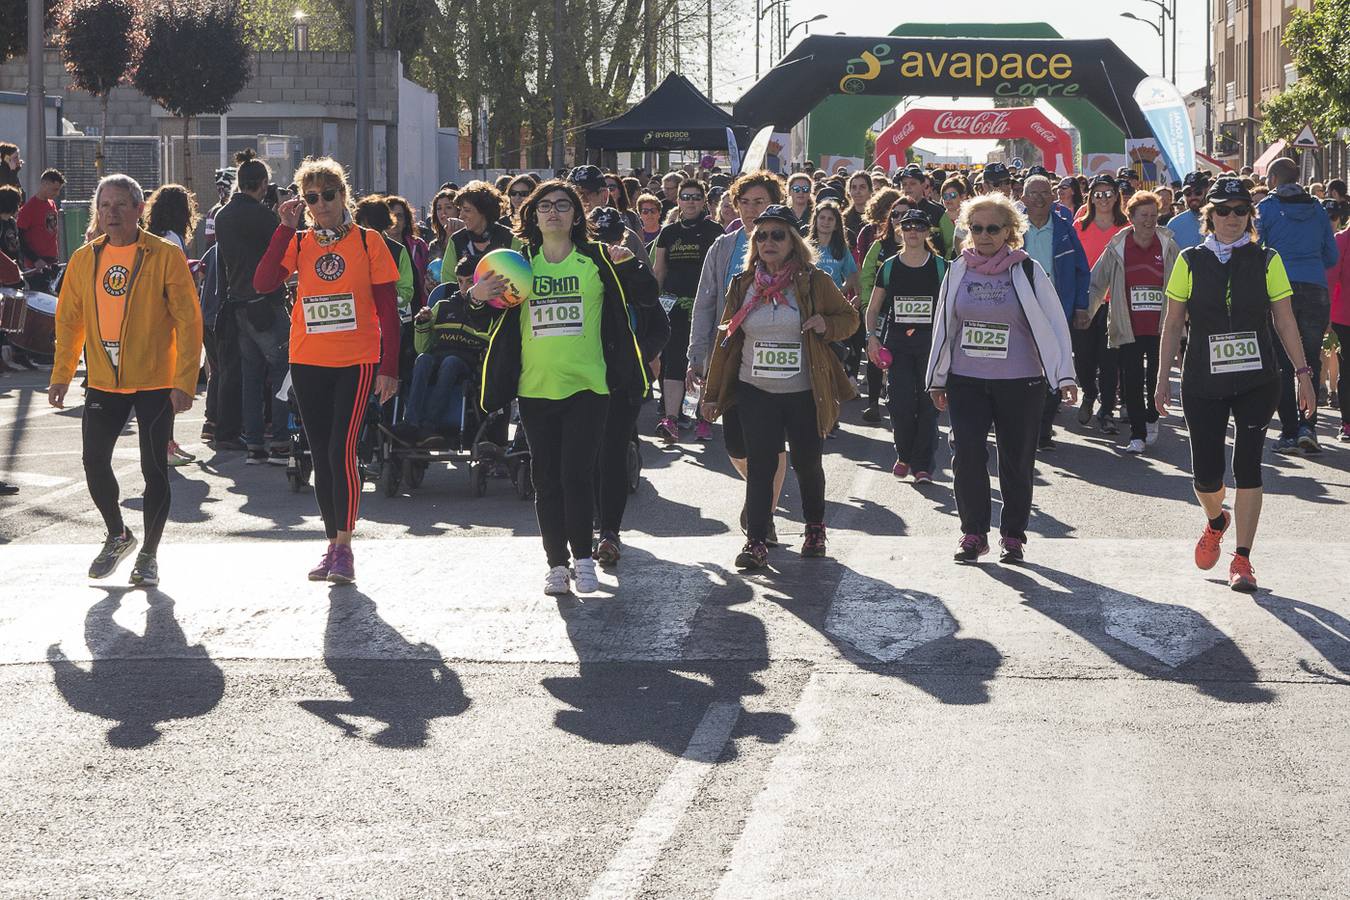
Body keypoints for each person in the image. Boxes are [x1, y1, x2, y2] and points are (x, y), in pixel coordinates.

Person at [478, 181, 648, 595]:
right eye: (545, 206)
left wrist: (628, 265)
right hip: (535, 389)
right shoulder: (518, 265)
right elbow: (485, 320)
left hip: (588, 386)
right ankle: (556, 565)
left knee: (577, 475)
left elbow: (645, 296)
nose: (554, 212)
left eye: (563, 205)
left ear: (576, 215)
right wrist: (475, 294)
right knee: (546, 478)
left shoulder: (595, 259)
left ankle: (583, 559)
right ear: (532, 216)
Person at [1156, 176, 1317, 593]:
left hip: (1256, 379)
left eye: (1240, 210)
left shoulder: (1267, 260)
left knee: (1248, 466)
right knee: (1205, 476)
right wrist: (1160, 380)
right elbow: (1173, 323)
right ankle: (1216, 521)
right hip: (1202, 380)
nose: (1232, 218)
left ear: (1251, 216)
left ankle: (1242, 559)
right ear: (1209, 216)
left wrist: (1303, 375)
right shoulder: (1189, 260)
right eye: (1223, 211)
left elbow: (1284, 319)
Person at [48, 174, 203, 586]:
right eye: (104, 206)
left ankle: (149, 554)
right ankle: (117, 533)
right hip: (102, 381)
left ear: (139, 210)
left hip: (154, 381)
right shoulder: (85, 258)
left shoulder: (163, 254)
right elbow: (69, 321)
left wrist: (184, 380)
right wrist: (62, 375)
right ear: (96, 212)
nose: (111, 213)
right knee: (93, 462)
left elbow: (189, 321)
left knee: (155, 471)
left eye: (120, 205)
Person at [253, 156, 402, 584]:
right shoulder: (298, 243)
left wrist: (388, 367)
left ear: (344, 196)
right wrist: (283, 228)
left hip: (355, 361)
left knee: (341, 450)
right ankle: (331, 546)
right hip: (307, 359)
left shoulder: (369, 242)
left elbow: (388, 311)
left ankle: (346, 546)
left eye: (329, 195)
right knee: (320, 456)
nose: (321, 204)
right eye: (312, 197)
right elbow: (263, 282)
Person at [700, 204, 859, 570]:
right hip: (755, 390)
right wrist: (711, 395)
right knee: (760, 466)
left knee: (806, 463)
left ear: (793, 242)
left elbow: (848, 319)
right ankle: (756, 541)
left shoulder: (813, 281)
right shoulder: (743, 285)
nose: (769, 241)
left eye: (778, 235)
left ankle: (814, 528)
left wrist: (824, 324)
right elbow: (726, 344)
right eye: (762, 235)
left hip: (803, 390)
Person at [926, 192, 1078, 564]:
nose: (984, 235)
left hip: (1020, 380)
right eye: (976, 228)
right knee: (967, 453)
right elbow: (944, 326)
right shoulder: (957, 268)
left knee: (1016, 459)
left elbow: (1055, 324)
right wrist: (937, 377)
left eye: (993, 228)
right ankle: (973, 533)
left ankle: (1012, 535)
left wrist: (1065, 376)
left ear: (1010, 231)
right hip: (967, 379)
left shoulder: (1027, 270)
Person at [686, 171, 791, 542]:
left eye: (759, 202)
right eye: (743, 202)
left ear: (774, 205)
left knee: (771, 441)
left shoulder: (792, 246)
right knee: (735, 444)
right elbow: (705, 303)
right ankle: (761, 495)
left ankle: (764, 513)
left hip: (779, 361)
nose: (749, 210)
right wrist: (697, 353)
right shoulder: (723, 247)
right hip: (731, 357)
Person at [588, 207, 668, 566]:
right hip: (581, 379)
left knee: (611, 453)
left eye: (610, 240)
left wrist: (640, 356)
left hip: (624, 381)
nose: (605, 246)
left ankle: (609, 531)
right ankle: (588, 522)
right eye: (596, 240)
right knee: (584, 455)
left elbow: (659, 327)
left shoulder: (634, 271)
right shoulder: (579, 272)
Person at [1257, 157, 1339, 454]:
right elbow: (1331, 255)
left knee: (1282, 360)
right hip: (1316, 288)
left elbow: (1258, 249)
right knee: (1311, 359)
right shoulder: (1318, 208)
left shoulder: (1265, 208)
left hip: (1280, 289)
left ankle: (1289, 432)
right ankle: (1309, 428)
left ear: (1276, 178)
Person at [1087, 190, 1179, 454]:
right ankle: (1137, 433)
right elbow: (1098, 281)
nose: (1149, 220)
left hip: (1161, 324)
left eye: (1153, 215)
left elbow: (1184, 281)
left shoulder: (1168, 244)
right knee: (1132, 378)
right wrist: (1088, 312)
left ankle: (1152, 416)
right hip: (1128, 323)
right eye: (1144, 215)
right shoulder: (1117, 246)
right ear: (1131, 217)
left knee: (1155, 376)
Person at [214, 152, 291, 465]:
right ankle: (282, 442)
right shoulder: (262, 216)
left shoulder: (221, 215)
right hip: (267, 302)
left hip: (238, 304)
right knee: (283, 370)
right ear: (262, 184)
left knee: (251, 376)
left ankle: (255, 443)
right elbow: (281, 250)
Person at [865, 208, 945, 481]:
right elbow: (873, 308)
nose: (913, 231)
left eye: (919, 226)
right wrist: (871, 337)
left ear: (927, 232)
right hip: (897, 343)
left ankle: (922, 465)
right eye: (908, 226)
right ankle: (904, 455)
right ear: (900, 230)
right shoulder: (888, 266)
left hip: (930, 344)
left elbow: (951, 308)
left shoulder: (940, 266)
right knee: (900, 403)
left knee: (927, 405)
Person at [1019, 174, 1091, 451]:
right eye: (1032, 193)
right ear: (1023, 198)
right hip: (1021, 309)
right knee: (1025, 368)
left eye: (1044, 193)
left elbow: (1082, 270)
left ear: (1053, 197)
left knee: (1053, 366)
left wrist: (1081, 306)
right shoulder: (1011, 229)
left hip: (1057, 308)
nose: (1038, 198)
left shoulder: (1064, 230)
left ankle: (1044, 429)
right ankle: (1025, 425)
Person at [651, 178, 722, 444]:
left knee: (701, 362)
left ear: (703, 201)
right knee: (674, 361)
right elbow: (659, 270)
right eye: (685, 197)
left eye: (695, 197)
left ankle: (703, 418)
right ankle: (670, 418)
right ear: (678, 201)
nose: (690, 202)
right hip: (673, 306)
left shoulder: (715, 231)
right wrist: (653, 304)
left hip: (704, 306)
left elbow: (720, 270)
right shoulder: (668, 233)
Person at [405, 255, 500, 443]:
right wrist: (422, 324)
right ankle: (410, 423)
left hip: (468, 364)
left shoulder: (492, 311)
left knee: (451, 362)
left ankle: (429, 426)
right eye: (460, 282)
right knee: (423, 358)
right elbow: (422, 347)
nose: (464, 287)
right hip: (438, 357)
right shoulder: (443, 305)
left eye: (469, 281)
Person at [143, 184, 201, 468]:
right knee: (168, 386)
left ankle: (167, 442)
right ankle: (164, 444)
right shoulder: (171, 240)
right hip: (169, 320)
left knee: (164, 386)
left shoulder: (156, 236)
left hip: (154, 318)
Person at [1074, 174, 1128, 434]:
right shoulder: (1080, 227)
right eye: (1098, 193)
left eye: (1108, 193)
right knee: (1083, 356)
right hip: (1085, 301)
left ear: (1116, 196)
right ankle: (1088, 392)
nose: (1103, 199)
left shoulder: (1126, 227)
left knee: (1110, 360)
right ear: (1091, 197)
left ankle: (1106, 410)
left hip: (1114, 301)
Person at [570, 165, 650, 265]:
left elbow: (646, 277)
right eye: (570, 195)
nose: (576, 201)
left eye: (584, 194)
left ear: (604, 195)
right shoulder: (553, 234)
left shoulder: (622, 235)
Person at [441, 180, 515, 282]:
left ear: (484, 211)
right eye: (460, 210)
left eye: (467, 210)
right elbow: (448, 283)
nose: (461, 216)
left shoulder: (510, 238)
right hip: (465, 298)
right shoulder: (456, 240)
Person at [17, 167, 64, 282]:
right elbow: (20, 237)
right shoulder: (29, 208)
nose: (57, 193)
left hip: (52, 262)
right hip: (36, 266)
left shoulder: (52, 204)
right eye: (54, 189)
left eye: (59, 190)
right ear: (44, 184)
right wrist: (35, 259)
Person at [1329, 214, 1350, 441]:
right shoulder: (1342, 239)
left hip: (1343, 315)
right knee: (1348, 371)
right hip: (1345, 318)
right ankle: (1347, 422)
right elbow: (1332, 277)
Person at [1167, 172, 1209, 251]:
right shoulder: (1174, 225)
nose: (1193, 197)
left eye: (1198, 192)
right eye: (1188, 193)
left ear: (1207, 191)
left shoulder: (1221, 218)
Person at [842, 171, 873, 239]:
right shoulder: (843, 218)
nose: (857, 191)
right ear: (849, 191)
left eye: (862, 187)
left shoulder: (877, 217)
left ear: (870, 190)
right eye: (854, 187)